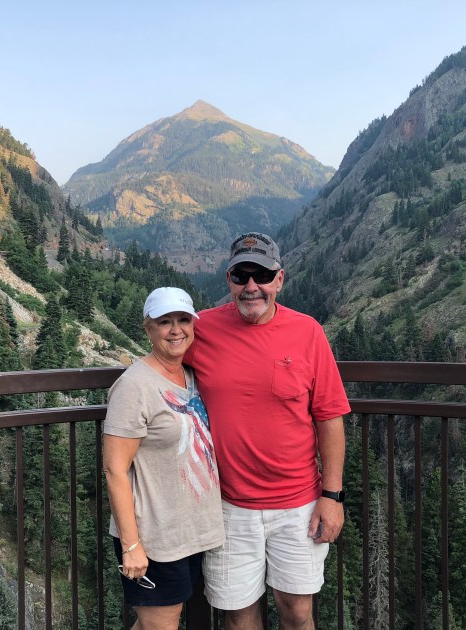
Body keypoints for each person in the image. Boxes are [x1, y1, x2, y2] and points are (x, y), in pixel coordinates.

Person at [184, 232, 350, 630]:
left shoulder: (308, 332)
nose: (251, 286)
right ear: (229, 280)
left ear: (279, 279)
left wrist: (332, 496)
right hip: (227, 505)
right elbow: (161, 360)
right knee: (238, 616)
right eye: (241, 275)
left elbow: (329, 416)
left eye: (261, 275)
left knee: (298, 611)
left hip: (299, 504)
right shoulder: (201, 329)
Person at [103, 287, 225, 630]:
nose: (175, 330)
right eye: (164, 322)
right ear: (148, 328)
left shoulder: (190, 376)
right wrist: (131, 545)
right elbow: (114, 469)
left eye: (183, 320)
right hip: (154, 535)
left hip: (187, 531)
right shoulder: (134, 386)